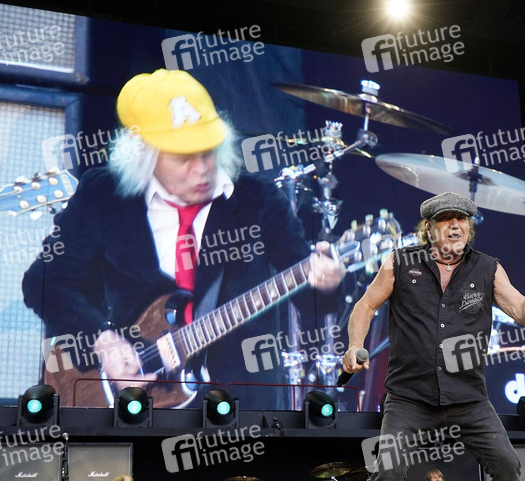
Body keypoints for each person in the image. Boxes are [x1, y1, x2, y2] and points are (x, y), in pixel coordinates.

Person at [22, 69, 344, 409]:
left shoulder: (258, 201)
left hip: (237, 407)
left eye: (208, 151)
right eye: (183, 157)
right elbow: (43, 283)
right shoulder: (103, 195)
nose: (202, 168)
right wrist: (104, 343)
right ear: (143, 153)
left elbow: (313, 301)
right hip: (131, 405)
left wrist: (327, 283)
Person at [342, 192, 525, 481]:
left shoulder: (488, 268)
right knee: (388, 472)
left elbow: (523, 312)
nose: (455, 226)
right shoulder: (400, 262)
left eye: (461, 219)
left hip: (468, 397)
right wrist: (354, 344)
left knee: (507, 465)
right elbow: (365, 305)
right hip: (409, 396)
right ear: (428, 228)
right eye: (446, 219)